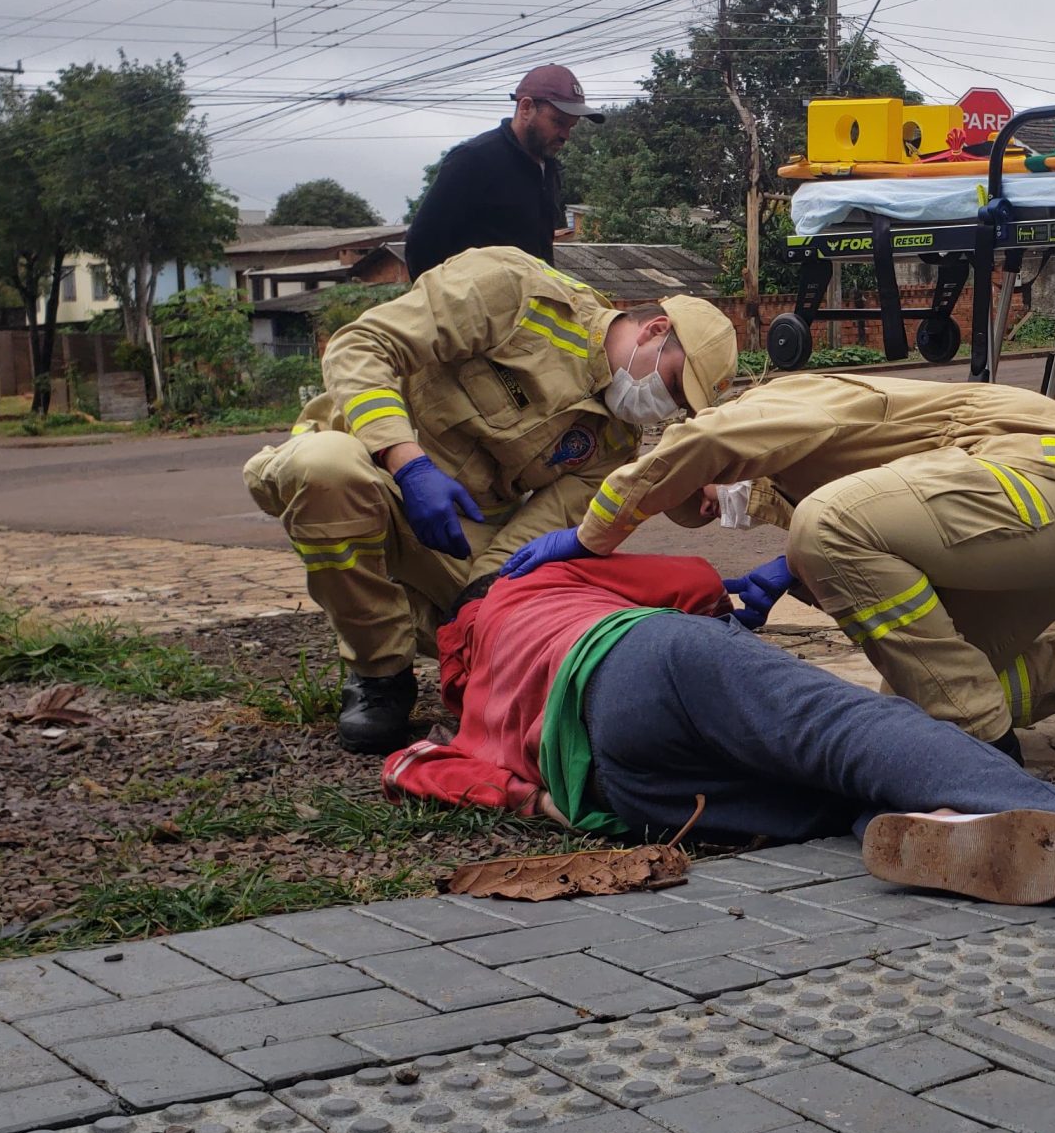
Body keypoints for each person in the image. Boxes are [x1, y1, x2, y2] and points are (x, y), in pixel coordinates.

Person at [384, 554, 1055, 907]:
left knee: (835, 794)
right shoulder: (532, 587)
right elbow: (695, 582)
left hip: (622, 791)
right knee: (846, 729)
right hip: (638, 663)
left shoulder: (462, 707)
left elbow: (425, 771)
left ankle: (942, 830)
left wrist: (551, 803)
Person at [496, 373, 1055, 755]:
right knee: (928, 688)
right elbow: (896, 530)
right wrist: (788, 573)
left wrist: (595, 533)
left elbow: (711, 440)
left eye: (702, 501)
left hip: (1046, 483)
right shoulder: (805, 477)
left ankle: (983, 754)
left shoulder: (783, 400)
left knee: (829, 530)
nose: (710, 512)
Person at [243, 246, 736, 754]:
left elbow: (532, 539)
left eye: (677, 404)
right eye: (673, 383)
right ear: (654, 329)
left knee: (504, 621)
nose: (661, 404)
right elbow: (360, 346)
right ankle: (379, 674)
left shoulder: (612, 442)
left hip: (455, 527)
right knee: (324, 470)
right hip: (358, 456)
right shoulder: (519, 292)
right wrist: (405, 460)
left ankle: (421, 623)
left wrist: (485, 607)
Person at [405, 63, 599, 279]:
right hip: (475, 307)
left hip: (528, 306)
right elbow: (421, 245)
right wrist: (448, 306)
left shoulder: (548, 170)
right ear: (526, 108)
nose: (566, 135)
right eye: (558, 122)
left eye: (571, 126)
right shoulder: (474, 159)